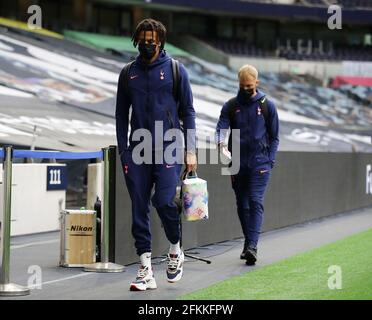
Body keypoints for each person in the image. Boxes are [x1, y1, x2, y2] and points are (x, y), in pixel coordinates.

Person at [115, 18, 197, 291]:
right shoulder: (128, 73)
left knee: (163, 201)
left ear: (160, 41)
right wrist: (124, 152)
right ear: (136, 39)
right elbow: (120, 115)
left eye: (153, 39)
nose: (148, 43)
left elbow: (188, 111)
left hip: (169, 146)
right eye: (144, 38)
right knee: (139, 208)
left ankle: (175, 249)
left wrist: (191, 149)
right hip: (136, 151)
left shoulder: (176, 70)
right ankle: (145, 268)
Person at [215, 64, 279, 265]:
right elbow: (221, 128)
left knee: (255, 200)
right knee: (242, 204)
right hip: (235, 163)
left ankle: (252, 246)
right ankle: (249, 242)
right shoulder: (231, 106)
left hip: (260, 163)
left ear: (257, 83)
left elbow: (275, 137)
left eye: (249, 86)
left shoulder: (267, 105)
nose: (246, 89)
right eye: (243, 85)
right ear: (238, 83)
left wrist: (270, 159)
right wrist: (220, 143)